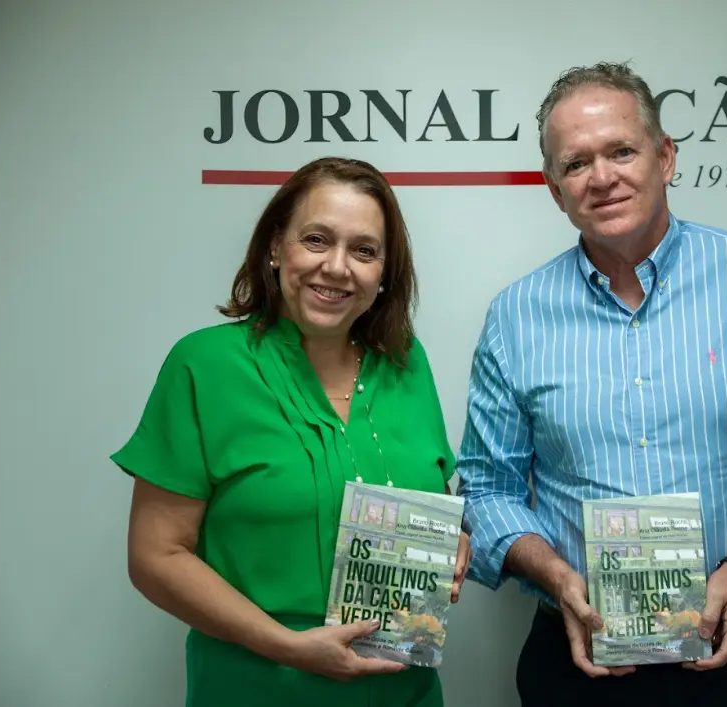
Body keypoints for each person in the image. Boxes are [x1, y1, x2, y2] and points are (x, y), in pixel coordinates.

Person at [455, 62, 727, 707]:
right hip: (581, 671)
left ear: (666, 157)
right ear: (553, 188)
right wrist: (558, 576)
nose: (602, 178)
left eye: (621, 150)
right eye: (576, 163)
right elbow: (488, 489)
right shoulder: (516, 315)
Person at [111, 157, 470, 707]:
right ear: (276, 247)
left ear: (384, 273)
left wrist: (451, 542)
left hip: (406, 688)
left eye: (364, 251)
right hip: (260, 685)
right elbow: (156, 557)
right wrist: (288, 646)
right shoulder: (204, 366)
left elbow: (429, 493)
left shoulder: (406, 363)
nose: (337, 266)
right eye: (317, 239)